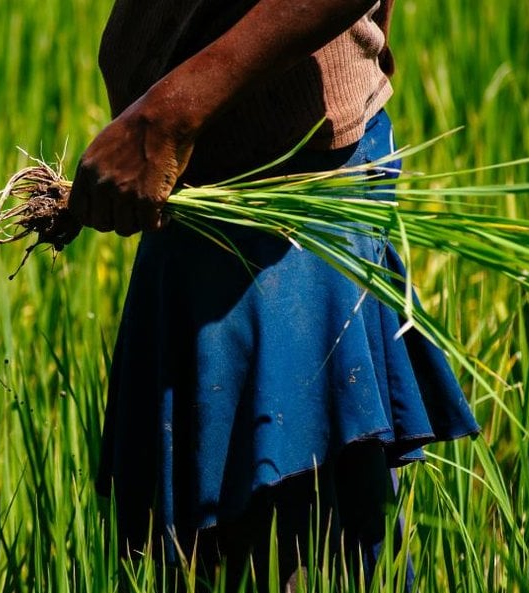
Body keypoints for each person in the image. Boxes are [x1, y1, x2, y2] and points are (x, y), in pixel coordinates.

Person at [67, 0, 480, 589]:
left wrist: (169, 114)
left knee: (287, 544)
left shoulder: (179, 123)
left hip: (282, 211)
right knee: (209, 557)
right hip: (210, 197)